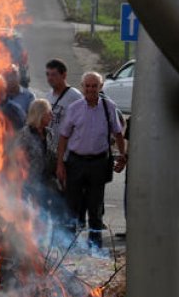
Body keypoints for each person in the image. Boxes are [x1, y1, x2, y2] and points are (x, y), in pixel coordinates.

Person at [55, 71, 127, 251]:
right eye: (87, 86)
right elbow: (63, 137)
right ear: (82, 87)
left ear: (100, 87)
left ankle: (94, 246)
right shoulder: (74, 108)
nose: (90, 89)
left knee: (95, 208)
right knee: (72, 205)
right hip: (76, 162)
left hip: (98, 163)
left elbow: (118, 133)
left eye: (94, 86)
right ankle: (69, 246)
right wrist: (60, 164)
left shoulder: (108, 107)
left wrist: (122, 155)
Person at [16, 98, 65, 220]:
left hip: (47, 182)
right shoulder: (24, 135)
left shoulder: (49, 133)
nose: (52, 116)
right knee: (32, 218)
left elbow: (52, 155)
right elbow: (18, 161)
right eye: (49, 113)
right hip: (30, 184)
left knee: (50, 216)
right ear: (40, 114)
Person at [44, 59, 83, 161]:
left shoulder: (75, 97)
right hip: (51, 153)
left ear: (64, 75)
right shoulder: (48, 96)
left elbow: (82, 126)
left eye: (54, 75)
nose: (50, 78)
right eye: (48, 74)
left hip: (68, 156)